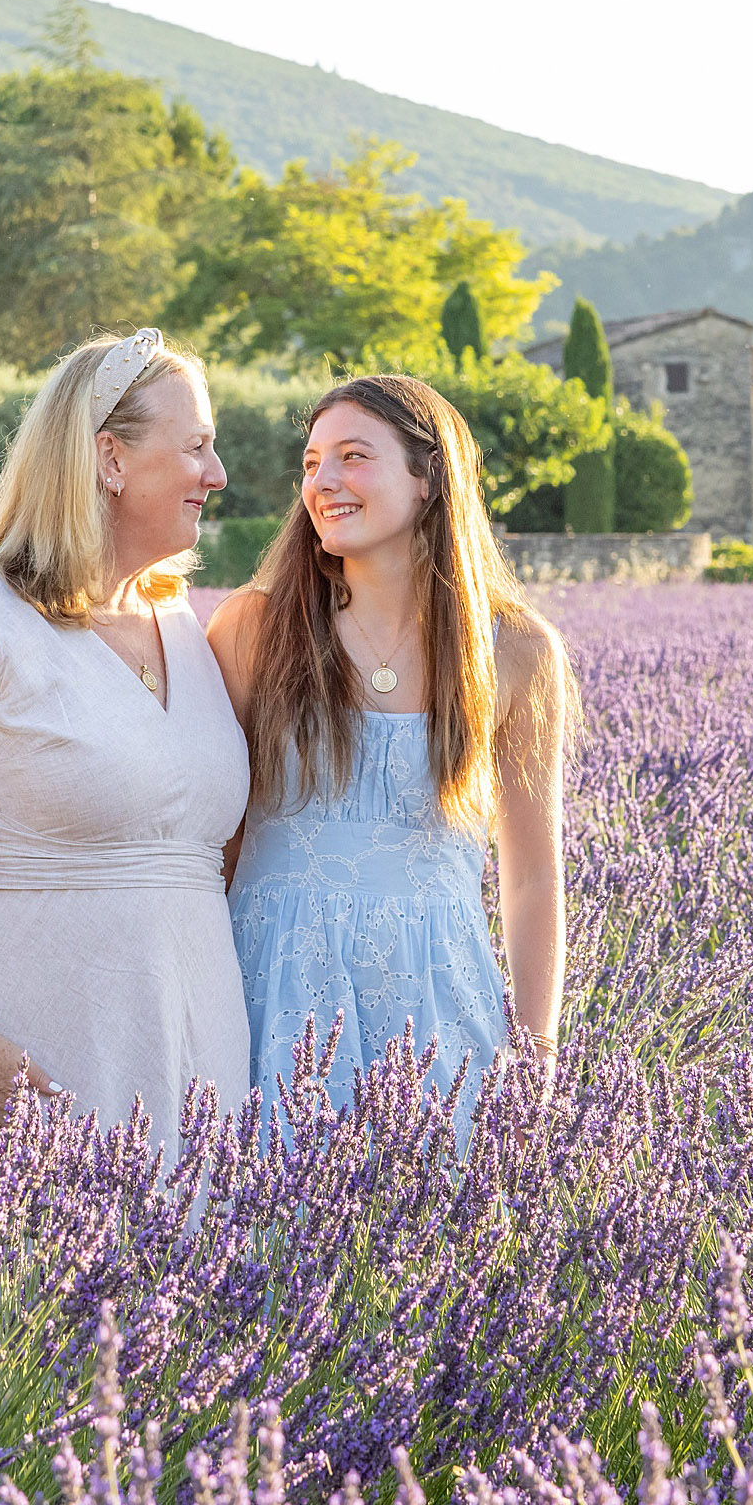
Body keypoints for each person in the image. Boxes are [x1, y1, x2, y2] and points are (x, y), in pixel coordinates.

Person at [0, 327, 249, 1167]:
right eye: (198, 448)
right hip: (41, 1049)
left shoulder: (182, 626)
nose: (217, 475)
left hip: (201, 1045)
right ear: (110, 458)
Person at [206, 374, 569, 1141]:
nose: (323, 482)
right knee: (257, 1242)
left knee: (431, 1240)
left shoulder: (514, 651)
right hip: (272, 988)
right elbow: (216, 846)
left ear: (429, 478)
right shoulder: (252, 629)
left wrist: (536, 1052)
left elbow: (534, 873)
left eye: (352, 457)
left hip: (438, 997)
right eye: (310, 464)